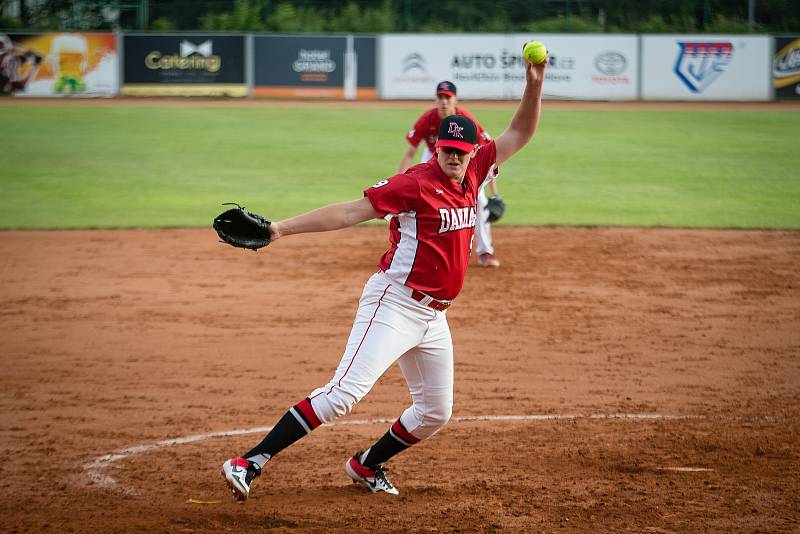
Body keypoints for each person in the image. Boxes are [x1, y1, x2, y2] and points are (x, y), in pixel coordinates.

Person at [221, 55, 547, 501]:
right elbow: (352, 211)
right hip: (394, 303)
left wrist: (535, 83)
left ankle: (366, 464)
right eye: (446, 150)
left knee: (436, 411)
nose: (452, 157)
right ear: (437, 149)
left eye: (460, 151)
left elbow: (521, 132)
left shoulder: (474, 172)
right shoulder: (414, 183)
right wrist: (279, 228)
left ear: (473, 152)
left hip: (435, 317)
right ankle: (248, 462)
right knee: (342, 395)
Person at [398, 80, 502, 268]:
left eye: (447, 97)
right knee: (422, 195)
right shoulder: (427, 119)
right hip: (433, 154)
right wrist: (398, 183)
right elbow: (409, 153)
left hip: (463, 157)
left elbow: (489, 156)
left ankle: (485, 251)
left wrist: (495, 193)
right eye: (440, 97)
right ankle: (424, 246)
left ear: (456, 100)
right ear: (435, 100)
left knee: (479, 200)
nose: (444, 101)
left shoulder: (467, 121)